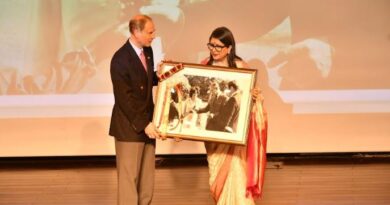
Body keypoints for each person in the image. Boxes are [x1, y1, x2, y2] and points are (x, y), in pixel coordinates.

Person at [200, 27, 265, 205]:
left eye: (218, 46)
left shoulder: (240, 67)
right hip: (213, 132)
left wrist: (255, 96)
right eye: (211, 45)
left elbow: (250, 97)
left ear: (229, 48)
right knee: (216, 174)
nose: (213, 49)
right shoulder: (204, 66)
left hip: (234, 131)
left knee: (236, 171)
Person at [109, 14, 163, 205]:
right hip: (130, 127)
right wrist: (143, 124)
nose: (153, 35)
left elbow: (145, 80)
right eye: (150, 32)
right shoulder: (120, 59)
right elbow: (125, 99)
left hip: (147, 124)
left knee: (147, 180)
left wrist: (162, 74)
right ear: (136, 31)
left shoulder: (147, 51)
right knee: (129, 180)